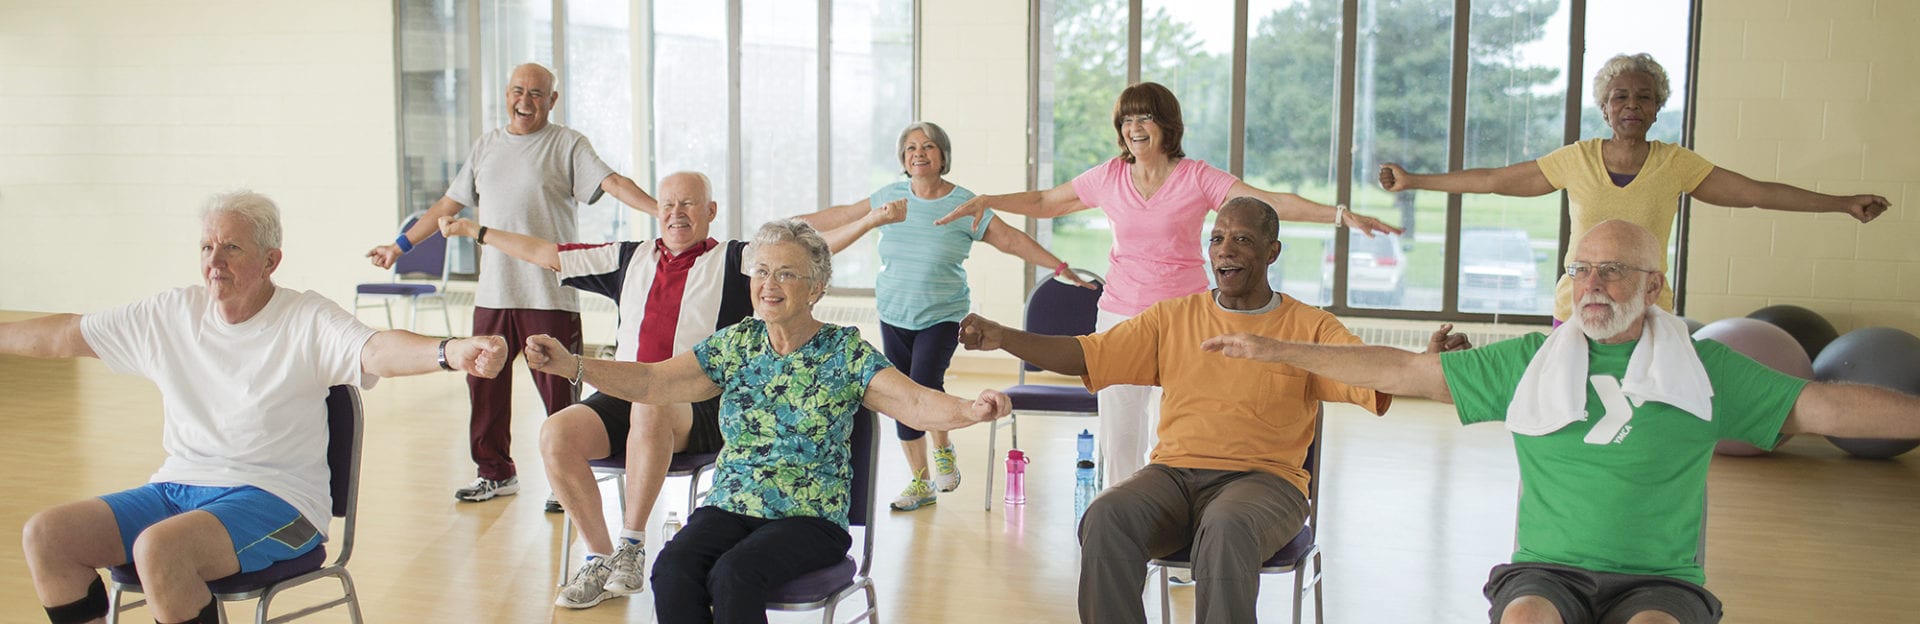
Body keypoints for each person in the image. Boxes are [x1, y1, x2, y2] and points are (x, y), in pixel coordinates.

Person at [1202, 219, 1920, 624]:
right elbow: (1406, 373)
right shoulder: (1532, 362)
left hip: (1661, 580)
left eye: (1613, 271)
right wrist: (1276, 348)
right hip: (1546, 573)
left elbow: (1823, 405)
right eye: (1583, 270)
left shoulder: (1704, 368)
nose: (1595, 285)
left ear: (1653, 286)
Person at [10, 190, 507, 624]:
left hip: (280, 500)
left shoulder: (305, 318)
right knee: (48, 535)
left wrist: (449, 351)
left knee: (160, 549)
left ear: (272, 260)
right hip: (176, 489)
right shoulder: (171, 314)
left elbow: (376, 349)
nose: (214, 260)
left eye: (231, 247)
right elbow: (64, 334)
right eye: (207, 246)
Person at [956, 198, 1460, 623]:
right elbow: (1085, 353)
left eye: (1241, 239)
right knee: (1107, 515)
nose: (1225, 249)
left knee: (1227, 527)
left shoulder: (1311, 326)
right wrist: (1003, 336)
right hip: (1173, 476)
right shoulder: (1173, 317)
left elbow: (1368, 372)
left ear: (1271, 251)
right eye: (1217, 239)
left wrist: (1423, 363)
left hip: (1267, 483)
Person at [437, 171, 895, 608]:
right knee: (556, 433)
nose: (677, 212)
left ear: (711, 210)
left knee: (650, 407)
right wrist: (477, 231)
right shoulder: (628, 256)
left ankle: (632, 544)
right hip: (626, 390)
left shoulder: (734, 259)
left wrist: (868, 221)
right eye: (668, 204)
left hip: (693, 402)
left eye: (689, 203)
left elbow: (802, 254)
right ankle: (601, 558)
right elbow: (545, 252)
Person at [519, 219, 1011, 623]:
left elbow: (916, 404)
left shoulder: (844, 351)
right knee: (673, 568)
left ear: (817, 288)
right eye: (761, 272)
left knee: (734, 574)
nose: (769, 284)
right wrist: (573, 366)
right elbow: (652, 383)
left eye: (786, 274)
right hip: (732, 504)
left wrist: (972, 410)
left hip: (810, 517)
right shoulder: (737, 343)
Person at [938, 81, 1402, 487]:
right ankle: (1123, 524)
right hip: (1120, 315)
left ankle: (1176, 522)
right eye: (1126, 120)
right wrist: (988, 200)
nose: (1134, 128)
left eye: (1145, 118)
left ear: (1166, 124)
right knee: (1120, 433)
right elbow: (1045, 200)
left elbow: (1268, 201)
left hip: (1185, 322)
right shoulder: (1109, 176)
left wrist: (1339, 215)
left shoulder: (1197, 177)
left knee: (1178, 431)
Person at [363, 62, 681, 503]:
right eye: (518, 91)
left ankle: (566, 474)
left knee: (559, 389)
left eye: (536, 93)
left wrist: (660, 213)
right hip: (494, 290)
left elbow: (611, 182)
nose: (525, 101)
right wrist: (400, 246)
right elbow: (446, 205)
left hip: (548, 291)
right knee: (484, 385)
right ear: (507, 94)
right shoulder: (487, 146)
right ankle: (495, 472)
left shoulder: (567, 144)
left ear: (551, 100)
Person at [1378, 52, 1892, 322]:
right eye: (1620, 96)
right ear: (1604, 107)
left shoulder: (1676, 165)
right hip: (1576, 309)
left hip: (1649, 310)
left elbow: (1758, 191)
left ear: (1656, 108)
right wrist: (1414, 180)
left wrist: (1843, 203)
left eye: (1643, 98)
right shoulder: (1575, 160)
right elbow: (1492, 180)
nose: (1631, 105)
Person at [799, 121, 1093, 512]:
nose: (919, 153)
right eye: (910, 148)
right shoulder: (890, 197)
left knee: (924, 383)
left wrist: (1058, 267)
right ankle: (920, 482)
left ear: (943, 156)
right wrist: (789, 225)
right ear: (903, 159)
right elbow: (843, 214)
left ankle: (942, 448)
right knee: (902, 397)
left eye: (928, 146)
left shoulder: (964, 204)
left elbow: (1010, 240)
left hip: (942, 314)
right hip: (894, 311)